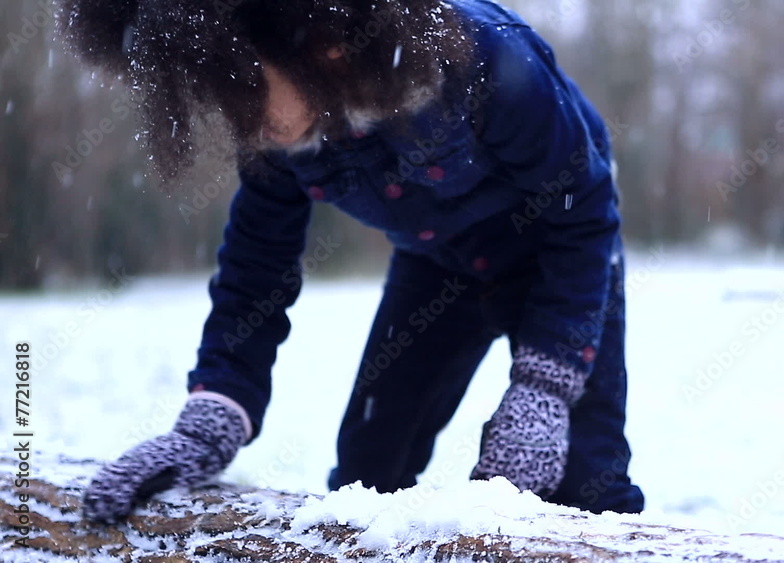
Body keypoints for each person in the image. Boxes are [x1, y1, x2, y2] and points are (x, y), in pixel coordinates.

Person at [61, 0, 645, 522]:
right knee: (367, 478)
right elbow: (256, 265)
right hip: (439, 265)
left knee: (583, 481)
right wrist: (212, 414)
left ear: (320, 41)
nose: (241, 115)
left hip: (560, 258)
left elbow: (583, 212)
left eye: (243, 84)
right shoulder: (278, 132)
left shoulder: (483, 57)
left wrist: (544, 386)